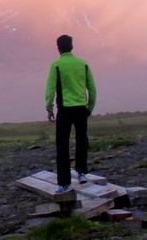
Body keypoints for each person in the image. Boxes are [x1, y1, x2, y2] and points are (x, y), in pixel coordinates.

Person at [45, 34, 97, 193]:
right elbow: (92, 88)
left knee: (62, 144)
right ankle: (81, 173)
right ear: (72, 46)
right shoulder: (83, 64)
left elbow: (51, 88)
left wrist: (49, 107)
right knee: (81, 139)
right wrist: (90, 107)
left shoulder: (57, 65)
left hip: (64, 108)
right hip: (81, 108)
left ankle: (64, 183)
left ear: (58, 48)